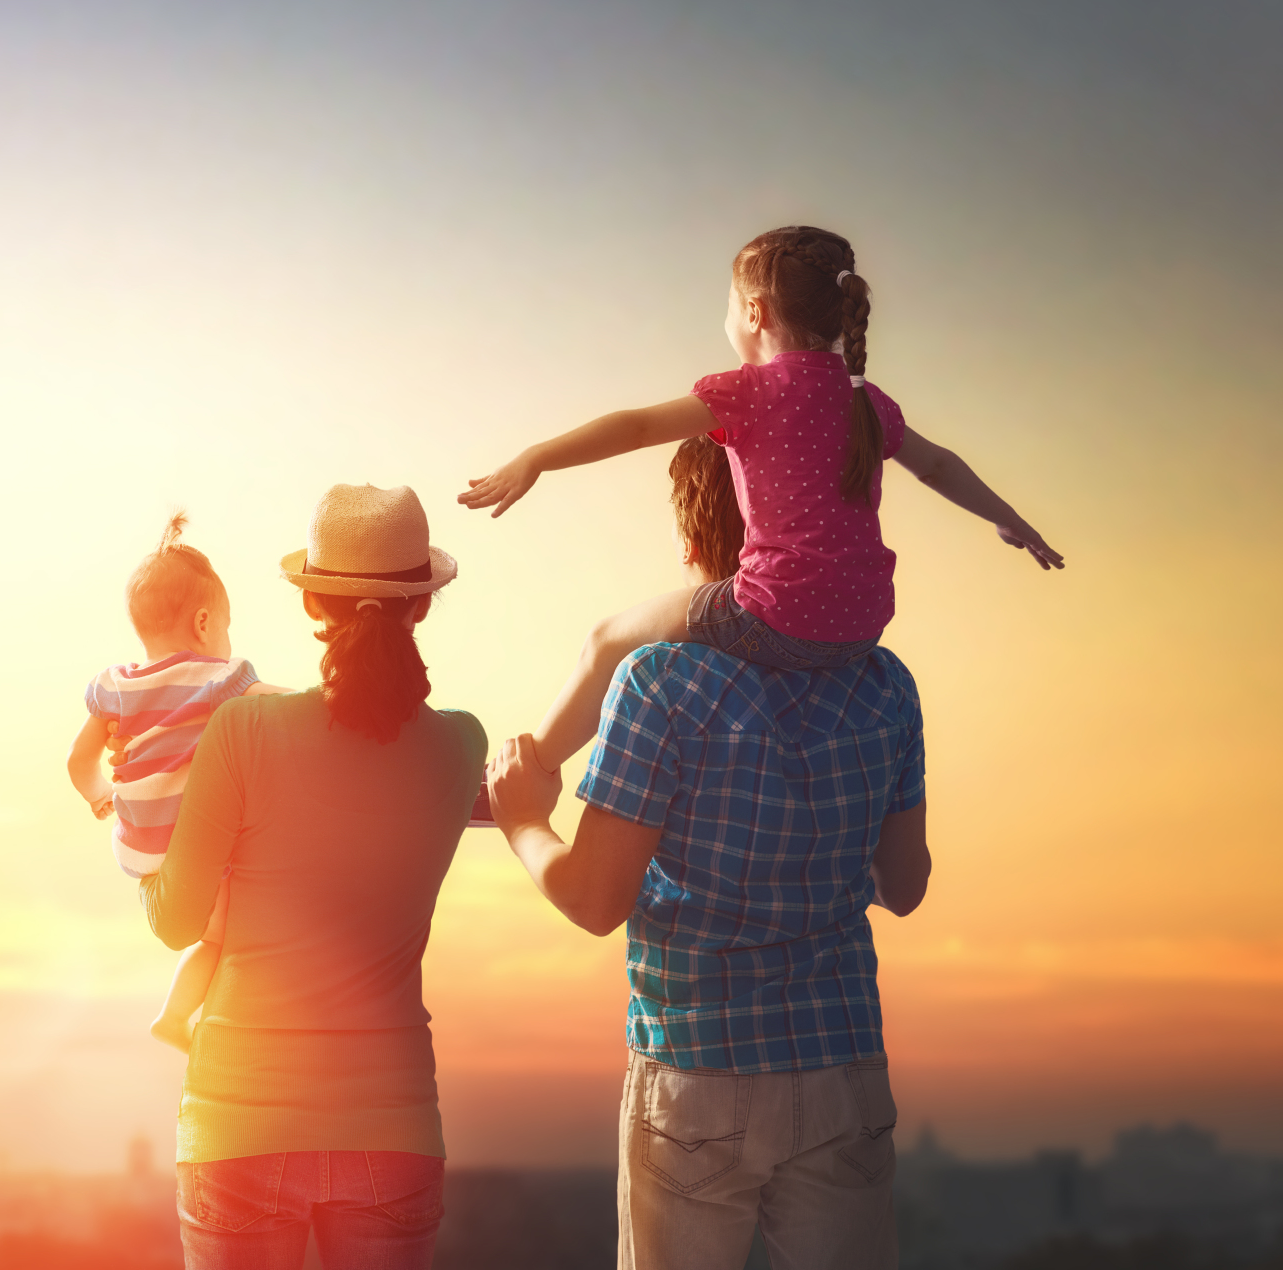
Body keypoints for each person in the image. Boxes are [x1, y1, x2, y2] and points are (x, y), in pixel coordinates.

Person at [485, 437, 932, 1269]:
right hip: (844, 1066)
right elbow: (905, 886)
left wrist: (521, 822)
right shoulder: (885, 683)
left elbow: (593, 900)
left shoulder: (658, 681)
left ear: (692, 544)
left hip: (696, 1073)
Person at [458, 224, 1062, 774]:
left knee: (608, 641)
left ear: (754, 312)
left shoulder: (747, 392)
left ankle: (526, 771)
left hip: (775, 613)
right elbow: (937, 466)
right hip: (863, 626)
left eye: (727, 305)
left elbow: (637, 427)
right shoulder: (865, 401)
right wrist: (1008, 521)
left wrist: (536, 456)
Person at [141, 484, 485, 1270]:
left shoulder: (243, 731)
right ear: (422, 606)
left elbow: (175, 923)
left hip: (237, 1129)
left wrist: (139, 839)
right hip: (392, 1129)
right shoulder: (461, 745)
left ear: (311, 604)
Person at [66, 513, 291, 1051]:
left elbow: (78, 761)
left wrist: (101, 796)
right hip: (195, 850)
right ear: (205, 622)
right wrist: (332, 699)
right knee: (226, 937)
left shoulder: (115, 687)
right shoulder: (216, 679)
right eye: (228, 626)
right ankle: (177, 1017)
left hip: (143, 854)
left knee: (212, 934)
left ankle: (175, 1016)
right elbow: (283, 706)